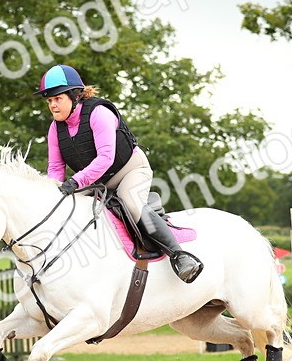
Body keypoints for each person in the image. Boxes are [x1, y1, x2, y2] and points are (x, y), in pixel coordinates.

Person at [35, 64, 203, 283]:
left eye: (58, 99)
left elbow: (105, 158)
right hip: (96, 180)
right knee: (69, 210)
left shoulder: (99, 113)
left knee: (131, 203)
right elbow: (55, 168)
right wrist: (52, 196)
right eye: (49, 101)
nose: (53, 106)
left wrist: (75, 181)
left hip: (130, 170)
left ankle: (179, 255)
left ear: (75, 96)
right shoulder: (55, 129)